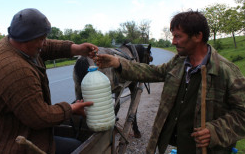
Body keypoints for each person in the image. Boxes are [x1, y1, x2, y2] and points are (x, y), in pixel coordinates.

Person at [95, 10, 245, 154]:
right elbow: (152, 72)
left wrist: (215, 131)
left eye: (178, 36)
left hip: (207, 150)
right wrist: (118, 63)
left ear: (198, 36)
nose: (173, 42)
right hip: (182, 144)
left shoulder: (226, 71)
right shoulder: (179, 62)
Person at [0, 8, 98, 154]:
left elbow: (47, 46)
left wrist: (76, 49)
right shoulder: (16, 70)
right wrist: (71, 108)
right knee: (80, 148)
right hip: (10, 145)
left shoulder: (11, 42)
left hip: (14, 129)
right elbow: (40, 117)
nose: (44, 43)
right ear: (26, 40)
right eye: (41, 39)